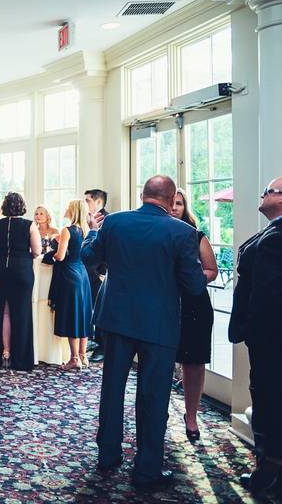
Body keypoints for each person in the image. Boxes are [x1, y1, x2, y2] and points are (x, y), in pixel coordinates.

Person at [81, 175, 207, 492]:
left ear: (142, 195)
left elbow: (89, 257)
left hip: (117, 318)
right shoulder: (183, 232)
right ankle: (147, 469)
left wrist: (92, 232)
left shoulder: (115, 223)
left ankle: (108, 456)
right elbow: (193, 285)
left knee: (112, 389)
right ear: (170, 199)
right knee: (153, 396)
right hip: (159, 324)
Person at [230, 177, 282, 495]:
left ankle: (271, 471)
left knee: (271, 402)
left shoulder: (279, 237)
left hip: (274, 340)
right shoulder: (280, 232)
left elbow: (268, 295)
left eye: (268, 191)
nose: (262, 195)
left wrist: (252, 332)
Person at [170, 188, 217, 441]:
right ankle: (158, 414)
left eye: (179, 203)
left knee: (194, 361)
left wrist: (192, 281)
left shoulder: (196, 236)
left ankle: (191, 416)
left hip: (194, 303)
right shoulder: (156, 234)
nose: (175, 207)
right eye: (171, 203)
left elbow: (212, 269)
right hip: (162, 303)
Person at [0, 192, 41, 371]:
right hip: (22, 270)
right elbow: (37, 251)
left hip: (0, 269)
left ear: (4, 207)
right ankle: (20, 358)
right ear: (22, 206)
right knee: (22, 313)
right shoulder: (29, 225)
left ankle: (5, 352)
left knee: (4, 312)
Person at [49, 199, 93, 370]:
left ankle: (74, 358)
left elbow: (60, 256)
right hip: (82, 274)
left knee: (73, 316)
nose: (65, 208)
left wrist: (53, 250)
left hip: (69, 275)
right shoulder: (86, 230)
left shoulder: (67, 230)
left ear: (73, 210)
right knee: (82, 315)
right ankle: (83, 355)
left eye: (68, 206)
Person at [84, 188, 109, 362]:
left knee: (100, 311)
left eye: (88, 200)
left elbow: (108, 247)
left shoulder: (107, 219)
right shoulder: (88, 218)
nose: (85, 203)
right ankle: (91, 340)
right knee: (90, 308)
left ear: (98, 202)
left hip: (98, 273)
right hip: (87, 272)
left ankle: (102, 346)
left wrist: (102, 273)